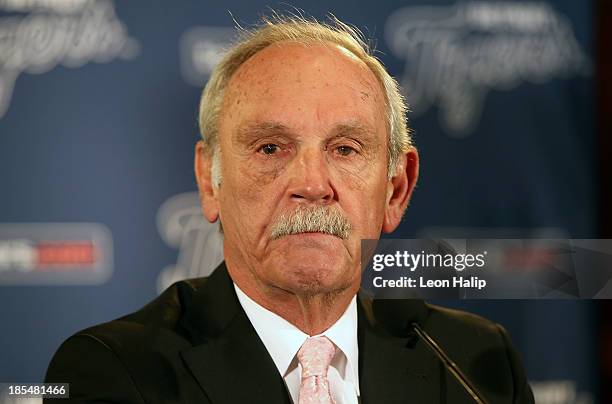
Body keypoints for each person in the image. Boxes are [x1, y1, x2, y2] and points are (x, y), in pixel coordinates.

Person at [45, 14, 534, 404]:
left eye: (345, 149)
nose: (312, 184)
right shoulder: (114, 371)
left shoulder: (474, 363)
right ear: (208, 180)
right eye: (271, 148)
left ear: (396, 190)